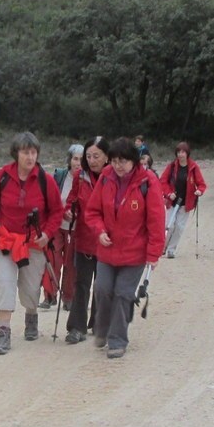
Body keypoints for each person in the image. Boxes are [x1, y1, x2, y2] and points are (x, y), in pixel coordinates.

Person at [0, 132, 64, 355]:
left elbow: (56, 212)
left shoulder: (46, 180)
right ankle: (3, 332)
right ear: (16, 153)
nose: (30, 156)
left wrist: (47, 233)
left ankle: (31, 314)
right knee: (5, 282)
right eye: (26, 152)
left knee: (30, 288)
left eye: (33, 152)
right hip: (5, 240)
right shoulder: (2, 177)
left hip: (34, 243)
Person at [85, 137, 166, 358]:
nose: (118, 166)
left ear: (134, 161)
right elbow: (92, 212)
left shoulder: (147, 182)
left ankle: (118, 339)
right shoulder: (105, 178)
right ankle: (101, 330)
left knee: (123, 293)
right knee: (102, 289)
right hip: (107, 251)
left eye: (123, 161)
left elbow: (156, 221)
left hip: (134, 254)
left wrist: (153, 254)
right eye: (114, 161)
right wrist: (100, 230)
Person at [62, 136, 111, 345]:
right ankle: (76, 327)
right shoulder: (80, 177)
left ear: (107, 157)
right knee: (81, 283)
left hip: (107, 240)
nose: (92, 160)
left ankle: (100, 324)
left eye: (96, 156)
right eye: (88, 156)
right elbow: (72, 200)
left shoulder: (114, 177)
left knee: (103, 285)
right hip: (83, 238)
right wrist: (68, 212)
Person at [39, 144, 85, 310]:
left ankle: (69, 298)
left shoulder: (86, 179)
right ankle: (50, 296)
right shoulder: (60, 176)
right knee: (53, 259)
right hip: (57, 226)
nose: (78, 163)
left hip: (76, 227)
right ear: (69, 159)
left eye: (81, 159)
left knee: (71, 264)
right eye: (75, 159)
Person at [160, 141, 207, 258]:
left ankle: (171, 250)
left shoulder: (193, 167)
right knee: (169, 226)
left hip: (186, 202)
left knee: (179, 227)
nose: (180, 154)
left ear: (187, 153)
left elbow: (201, 184)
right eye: (178, 152)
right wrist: (168, 193)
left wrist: (199, 191)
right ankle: (162, 247)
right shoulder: (171, 166)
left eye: (183, 152)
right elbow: (162, 182)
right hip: (172, 201)